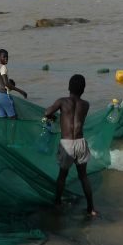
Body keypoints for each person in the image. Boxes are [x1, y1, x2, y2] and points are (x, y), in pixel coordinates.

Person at [43, 74, 96, 216]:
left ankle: (57, 202)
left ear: (68, 87)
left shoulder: (62, 101)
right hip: (80, 143)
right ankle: (91, 208)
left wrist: (53, 117)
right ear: (83, 89)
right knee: (83, 177)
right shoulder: (86, 104)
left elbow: (47, 112)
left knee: (62, 176)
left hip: (67, 144)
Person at [0, 49, 27, 118]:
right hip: (3, 95)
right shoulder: (3, 67)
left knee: (3, 118)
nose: (6, 58)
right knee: (13, 117)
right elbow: (6, 84)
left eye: (7, 57)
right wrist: (21, 91)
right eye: (4, 57)